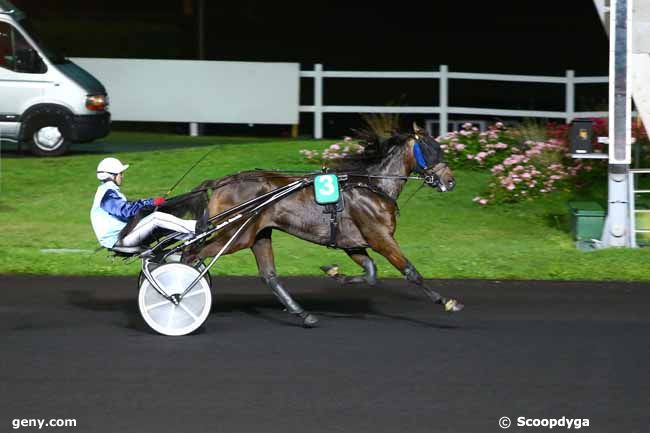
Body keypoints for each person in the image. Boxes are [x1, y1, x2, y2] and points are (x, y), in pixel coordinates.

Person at [90, 157, 207, 249]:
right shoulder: (107, 194)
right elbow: (126, 211)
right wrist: (151, 202)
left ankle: (191, 237)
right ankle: (196, 227)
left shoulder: (108, 192)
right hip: (118, 240)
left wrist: (150, 205)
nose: (122, 176)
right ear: (112, 176)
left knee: (159, 224)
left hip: (123, 235)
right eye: (120, 174)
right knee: (156, 218)